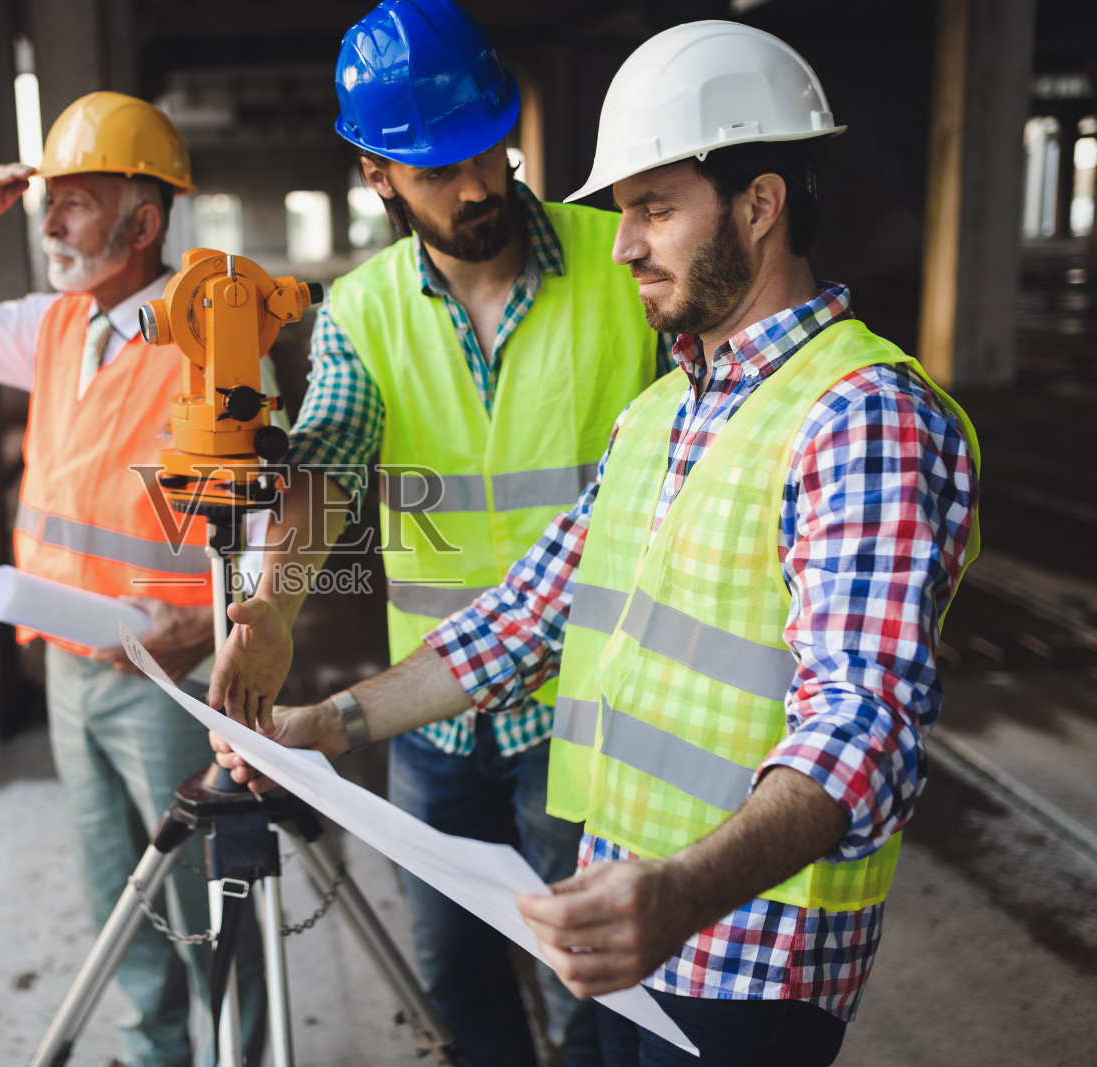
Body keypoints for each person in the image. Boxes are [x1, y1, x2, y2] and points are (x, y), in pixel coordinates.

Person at [212, 19, 980, 1067]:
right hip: (633, 903)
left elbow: (866, 725)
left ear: (761, 204)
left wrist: (684, 889)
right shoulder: (663, 411)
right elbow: (526, 617)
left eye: (653, 208)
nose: (621, 246)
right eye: (622, 211)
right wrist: (324, 722)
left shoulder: (862, 415)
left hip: (743, 949)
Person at [206, 2, 659, 1064]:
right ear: (377, 175)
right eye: (438, 170)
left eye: (488, 151)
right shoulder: (362, 310)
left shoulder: (622, 265)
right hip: (431, 722)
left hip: (589, 710)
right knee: (457, 984)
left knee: (592, 996)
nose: (476, 186)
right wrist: (271, 605)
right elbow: (330, 455)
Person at [0, 91, 266, 1067]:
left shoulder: (210, 340)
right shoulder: (57, 326)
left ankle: (240, 1054)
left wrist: (214, 633)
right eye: (51, 202)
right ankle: (154, 1052)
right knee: (116, 896)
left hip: (168, 677)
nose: (50, 223)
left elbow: (272, 522)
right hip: (69, 667)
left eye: (76, 203)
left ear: (143, 225)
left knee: (204, 904)